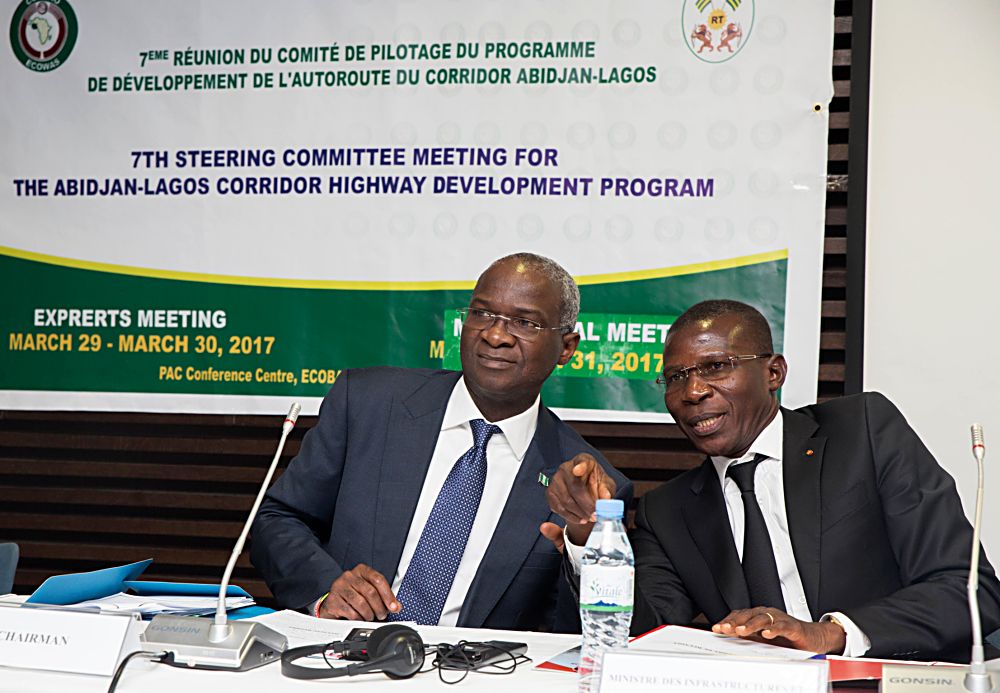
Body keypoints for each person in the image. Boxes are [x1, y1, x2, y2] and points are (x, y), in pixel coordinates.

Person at [545, 299, 1000, 661]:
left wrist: (831, 633)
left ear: (773, 373)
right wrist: (588, 536)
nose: (692, 392)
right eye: (675, 377)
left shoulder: (862, 433)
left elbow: (968, 589)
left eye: (716, 367)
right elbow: (644, 632)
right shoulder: (670, 510)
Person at [250, 252, 632, 632]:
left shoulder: (584, 488)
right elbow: (278, 519)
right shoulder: (367, 405)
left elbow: (579, 632)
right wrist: (324, 592)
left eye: (524, 322)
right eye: (482, 314)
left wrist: (583, 539)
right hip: (344, 657)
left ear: (567, 347)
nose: (495, 335)